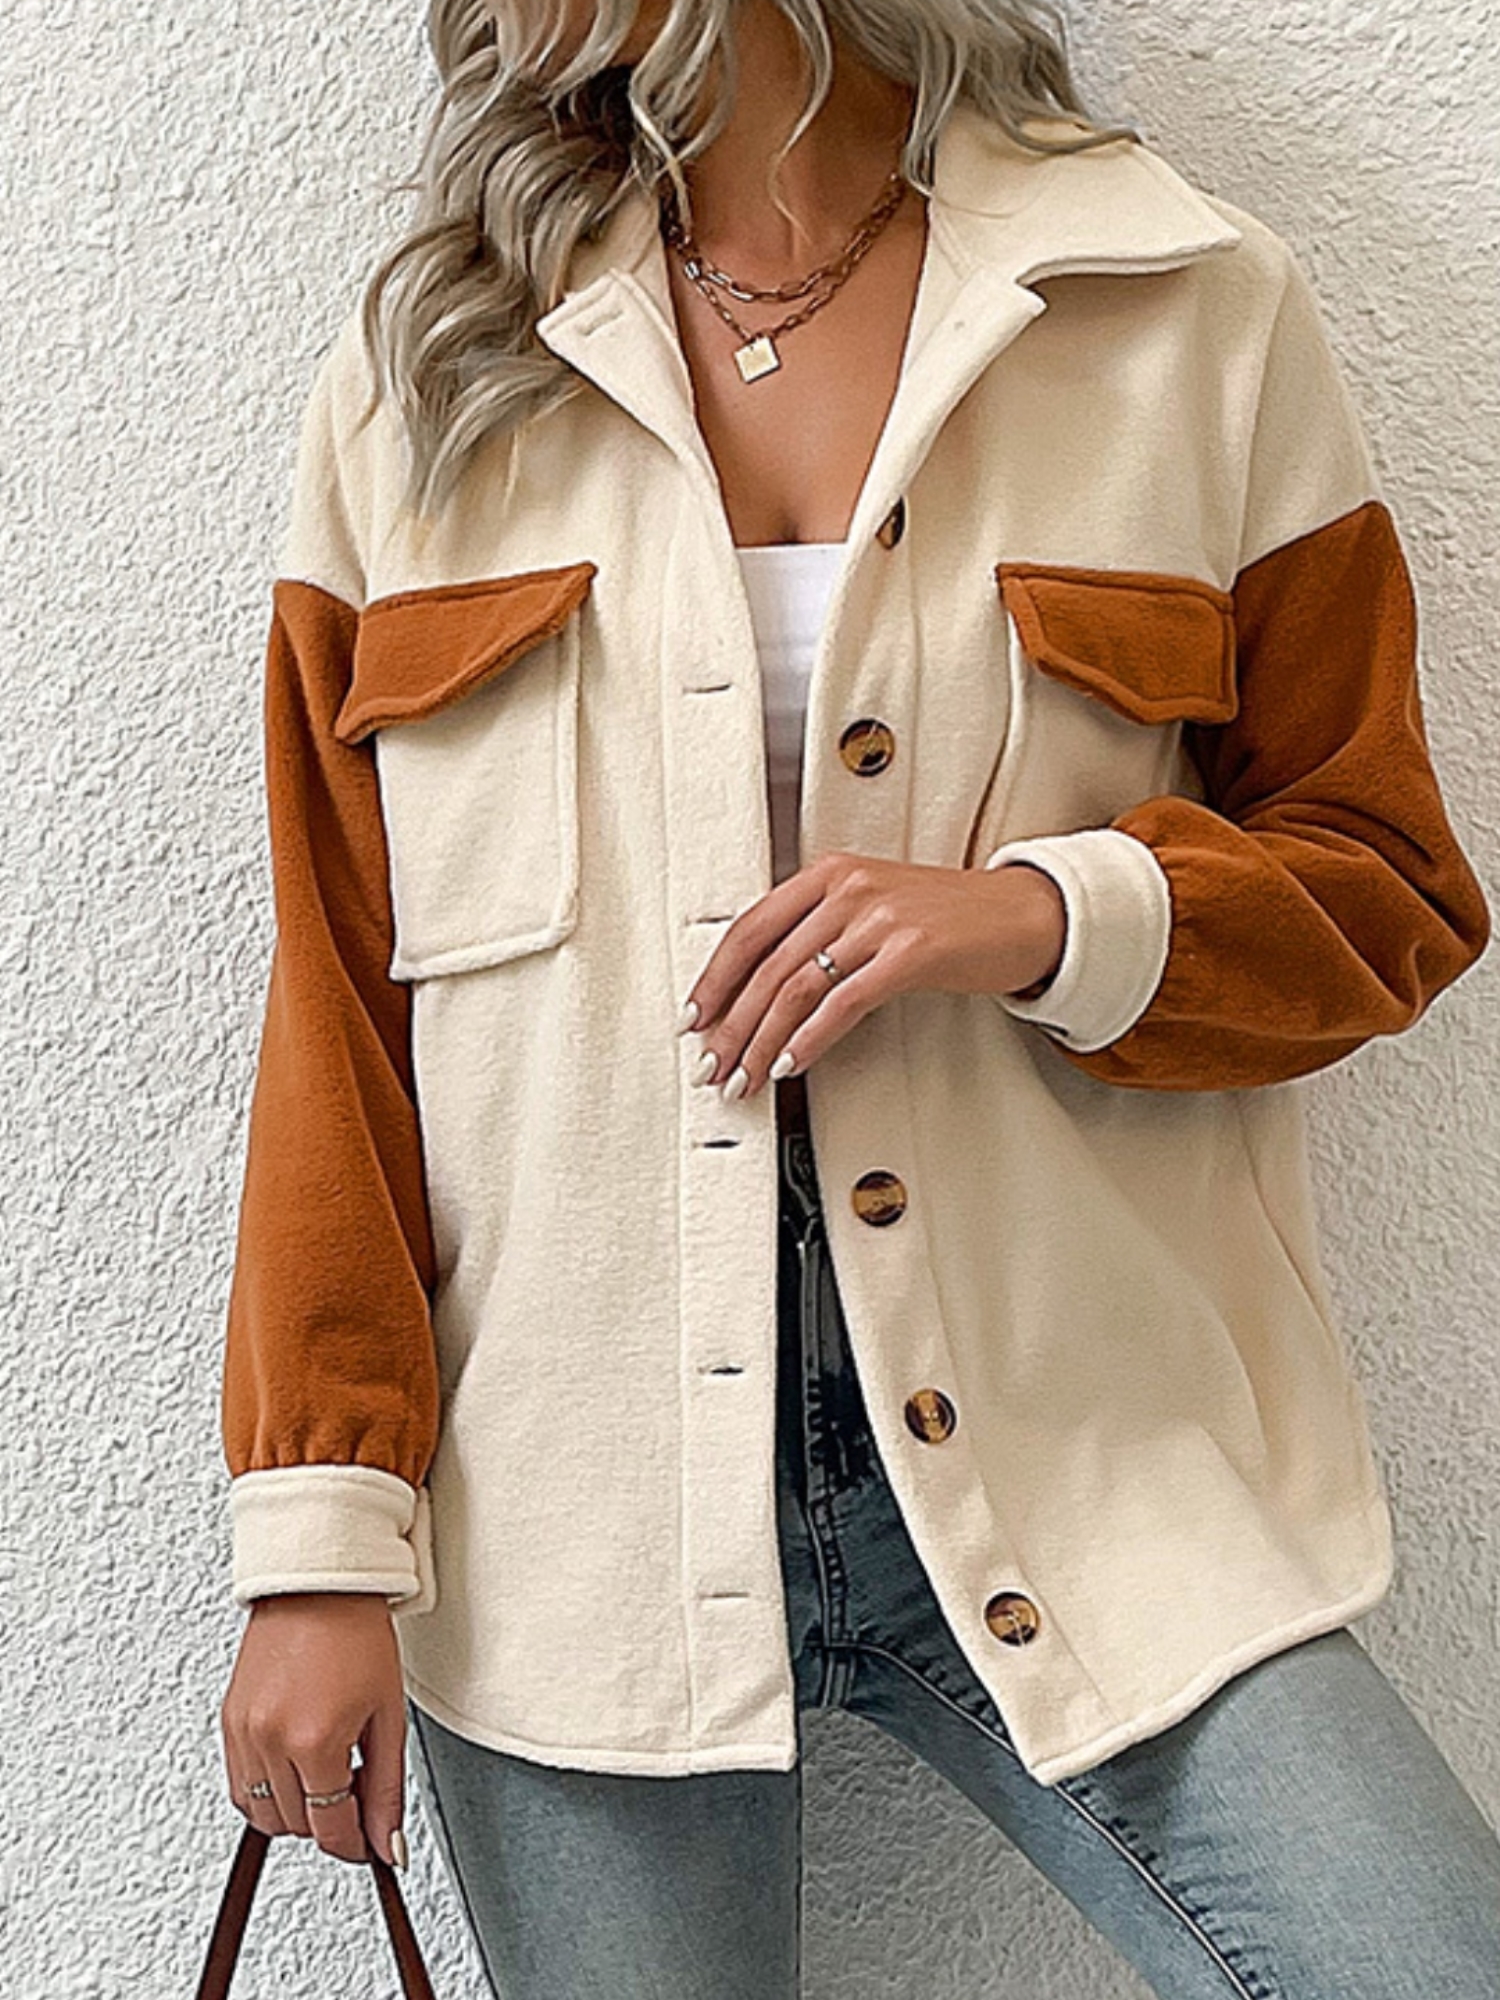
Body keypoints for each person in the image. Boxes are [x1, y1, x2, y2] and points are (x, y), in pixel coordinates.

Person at [217, 3, 1500, 1994]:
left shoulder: (1179, 305)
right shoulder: (431, 379)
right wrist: (320, 1540)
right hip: (578, 1505)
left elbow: (1387, 882)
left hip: (1089, 1437)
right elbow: (340, 1017)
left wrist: (1038, 914)